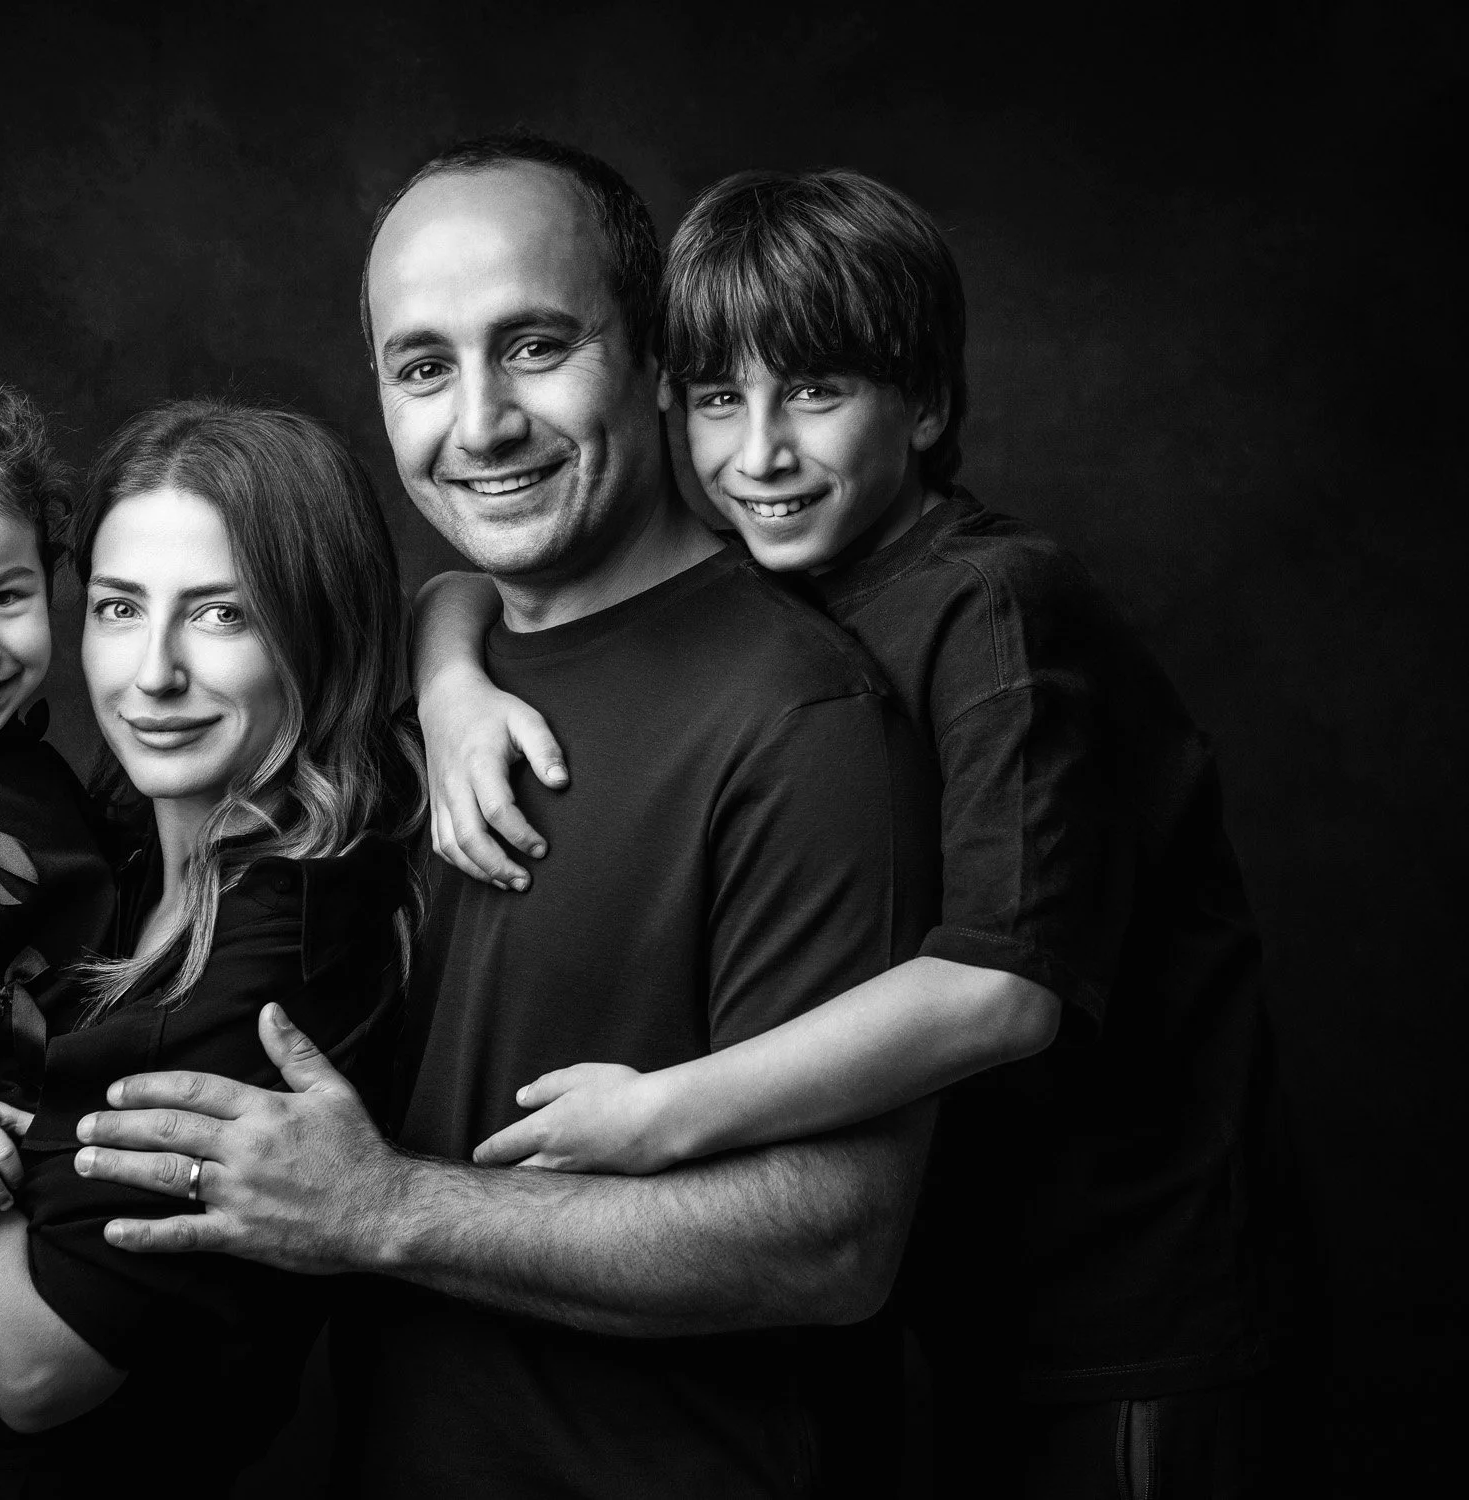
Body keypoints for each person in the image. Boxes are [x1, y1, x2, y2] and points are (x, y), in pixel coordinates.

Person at [69, 135, 942, 1497]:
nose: (478, 425)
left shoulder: (798, 719)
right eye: (423, 367)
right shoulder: (403, 703)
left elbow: (832, 1243)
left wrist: (387, 1209)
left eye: (535, 347)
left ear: (655, 357)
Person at [415, 168, 1272, 1493]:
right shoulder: (800, 573)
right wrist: (448, 683)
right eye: (718, 399)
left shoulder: (994, 605)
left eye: (814, 393)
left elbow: (999, 992)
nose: (758, 453)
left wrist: (661, 1115)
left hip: (1133, 1316)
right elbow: (471, 577)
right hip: (972, 1312)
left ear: (922, 404)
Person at [0, 397, 422, 1493]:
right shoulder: (112, 826)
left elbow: (33, 1370)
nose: (151, 674)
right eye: (118, 607)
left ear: (318, 632)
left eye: (222, 615)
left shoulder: (282, 949)